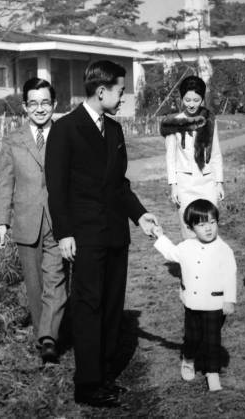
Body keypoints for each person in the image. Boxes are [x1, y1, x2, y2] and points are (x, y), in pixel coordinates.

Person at [45, 60, 159, 407]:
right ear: (101, 91)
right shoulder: (65, 129)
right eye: (120, 91)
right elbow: (57, 188)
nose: (123, 97)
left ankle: (105, 376)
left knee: (111, 309)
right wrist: (64, 233)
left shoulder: (115, 130)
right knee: (88, 307)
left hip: (115, 236)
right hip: (85, 236)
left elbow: (119, 186)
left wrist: (141, 216)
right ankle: (88, 383)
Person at [0, 77, 66, 365]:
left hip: (60, 221)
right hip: (26, 220)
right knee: (34, 285)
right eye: (33, 103)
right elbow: (4, 184)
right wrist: (2, 222)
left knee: (56, 279)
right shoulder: (13, 140)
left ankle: (49, 338)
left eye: (45, 102)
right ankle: (43, 334)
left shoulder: (65, 134)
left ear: (54, 104)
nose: (40, 108)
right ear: (25, 106)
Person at [152, 199, 236, 392]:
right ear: (190, 228)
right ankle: (188, 359)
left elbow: (230, 274)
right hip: (192, 303)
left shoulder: (224, 250)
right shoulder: (186, 247)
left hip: (215, 303)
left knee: (212, 339)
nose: (208, 228)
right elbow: (170, 253)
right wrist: (159, 236)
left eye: (212, 222)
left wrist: (229, 299)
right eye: (201, 224)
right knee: (192, 337)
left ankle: (212, 371)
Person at [160, 76, 223, 239]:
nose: (192, 104)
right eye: (187, 100)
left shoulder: (209, 121)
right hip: (185, 185)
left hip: (207, 184)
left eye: (196, 100)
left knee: (209, 231)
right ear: (182, 99)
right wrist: (173, 185)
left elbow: (215, 154)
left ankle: (210, 264)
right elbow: (171, 158)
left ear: (202, 99)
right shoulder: (174, 122)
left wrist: (219, 183)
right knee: (189, 231)